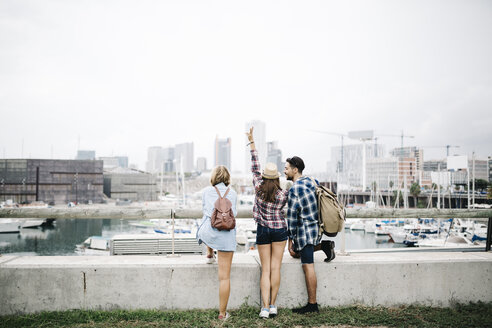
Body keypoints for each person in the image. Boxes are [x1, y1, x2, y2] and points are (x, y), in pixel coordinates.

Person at [246, 127, 288, 319]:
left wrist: (252, 142)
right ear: (277, 176)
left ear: (264, 176)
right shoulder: (282, 195)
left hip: (263, 230)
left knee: (265, 270)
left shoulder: (258, 188)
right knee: (275, 268)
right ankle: (273, 305)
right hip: (280, 231)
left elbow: (254, 165)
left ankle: (263, 308)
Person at [196, 165, 237, 320]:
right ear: (227, 178)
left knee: (207, 227)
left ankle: (209, 253)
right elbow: (235, 214)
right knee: (224, 277)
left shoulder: (206, 192)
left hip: (209, 233)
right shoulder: (233, 193)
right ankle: (222, 314)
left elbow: (205, 211)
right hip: (226, 237)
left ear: (213, 177)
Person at [284, 155, 324, 314]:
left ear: (295, 170)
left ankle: (312, 305)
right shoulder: (312, 182)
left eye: (287, 168)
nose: (284, 170)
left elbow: (292, 217)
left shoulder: (294, 188)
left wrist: (290, 239)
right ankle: (324, 245)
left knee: (308, 266)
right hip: (315, 228)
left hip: (305, 231)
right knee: (298, 256)